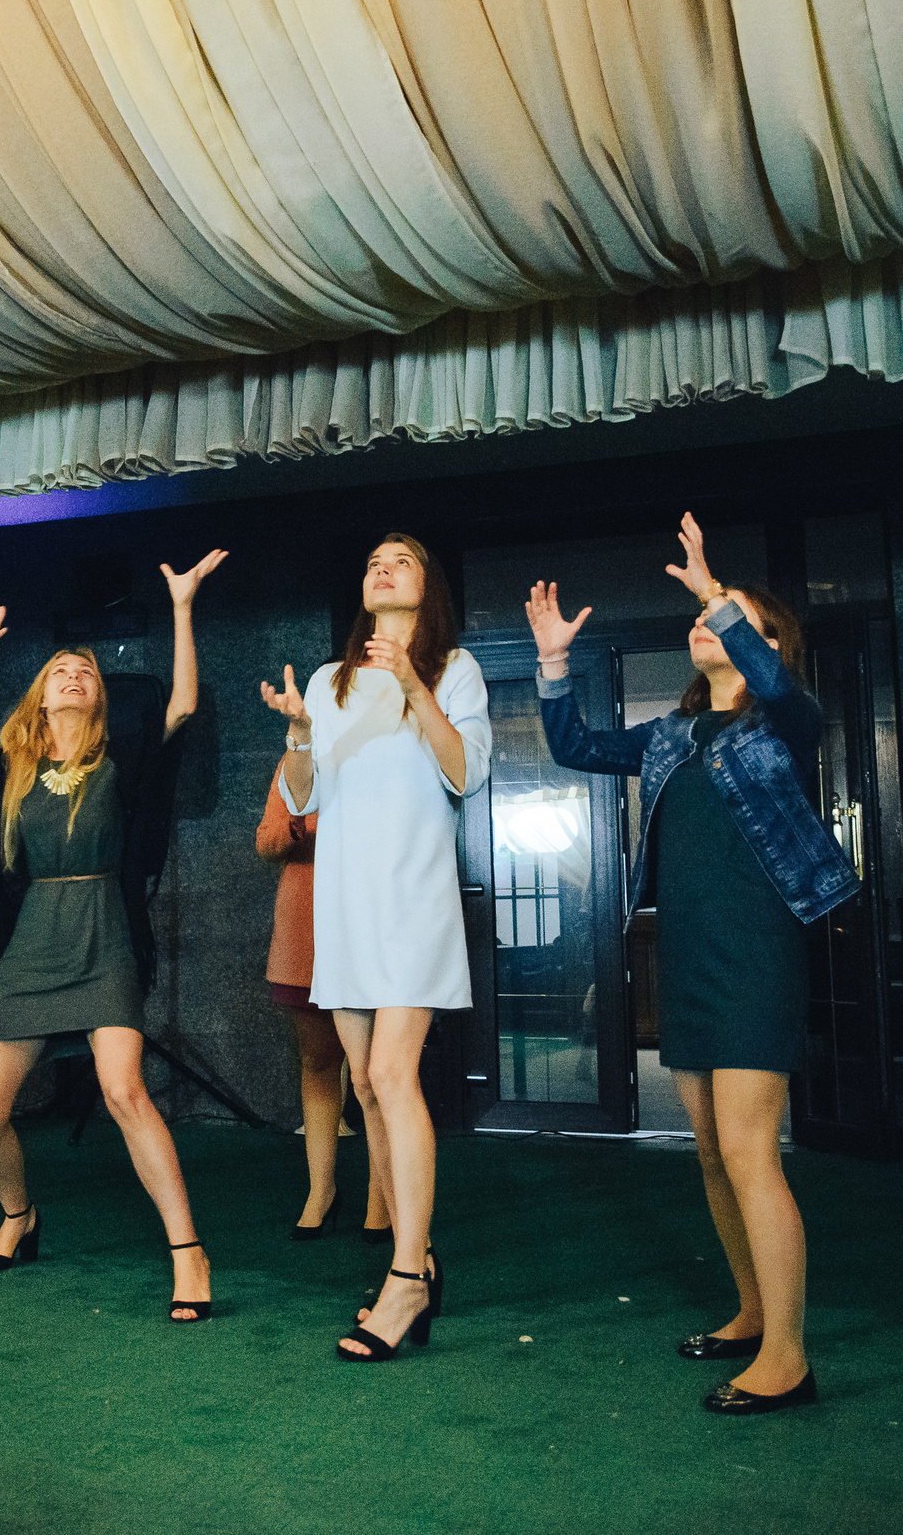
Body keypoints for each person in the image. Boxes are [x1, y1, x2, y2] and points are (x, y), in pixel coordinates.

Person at [525, 513, 859, 1415]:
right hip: (690, 952)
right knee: (711, 1148)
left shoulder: (787, 723)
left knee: (752, 1149)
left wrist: (715, 587)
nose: (705, 624)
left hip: (757, 953)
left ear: (765, 642)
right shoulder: (672, 736)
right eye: (706, 617)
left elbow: (777, 686)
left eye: (732, 617)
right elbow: (577, 748)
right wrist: (554, 663)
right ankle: (752, 1312)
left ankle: (788, 1355)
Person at [0, 550, 226, 1323]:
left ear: (99, 695)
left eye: (87, 671)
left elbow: (179, 709)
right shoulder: (15, 766)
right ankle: (18, 1215)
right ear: (41, 693)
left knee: (123, 1089)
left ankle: (187, 1249)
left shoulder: (121, 760)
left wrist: (180, 607)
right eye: (61, 669)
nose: (74, 675)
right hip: (33, 937)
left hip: (104, 926)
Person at [261, 534, 489, 1362]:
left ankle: (405, 1282)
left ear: (428, 584)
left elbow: (466, 773)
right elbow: (303, 794)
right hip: (346, 905)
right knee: (365, 1082)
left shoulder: (454, 667)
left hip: (414, 899)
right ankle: (416, 1254)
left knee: (394, 1073)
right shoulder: (329, 680)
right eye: (372, 561)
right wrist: (296, 731)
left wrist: (416, 685)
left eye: (401, 558)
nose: (381, 566)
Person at [253, 770, 389, 1243]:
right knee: (317, 1062)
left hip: (368, 920)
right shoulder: (298, 756)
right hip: (305, 923)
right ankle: (320, 1191)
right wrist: (299, 822)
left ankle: (382, 1196)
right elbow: (267, 842)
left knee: (373, 1072)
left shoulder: (384, 745)